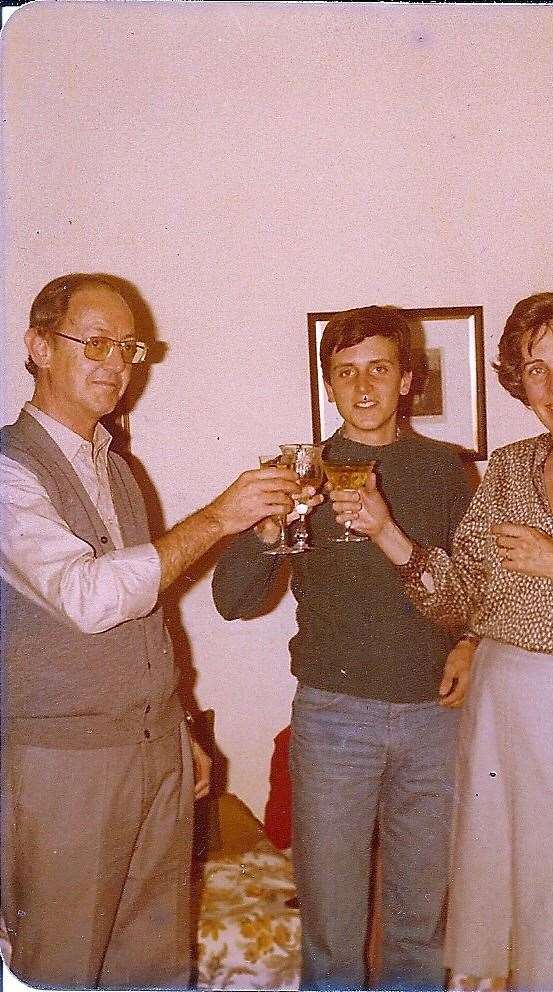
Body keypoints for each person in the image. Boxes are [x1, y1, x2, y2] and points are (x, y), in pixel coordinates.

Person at [334, 291, 553, 992]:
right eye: (535, 369)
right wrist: (385, 532)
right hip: (499, 697)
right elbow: (461, 595)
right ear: (517, 381)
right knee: (499, 900)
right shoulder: (506, 468)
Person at [0, 272, 299, 989]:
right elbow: (88, 596)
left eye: (129, 348)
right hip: (65, 764)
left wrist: (182, 722)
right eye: (95, 342)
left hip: (155, 751)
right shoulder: (10, 469)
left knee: (154, 966)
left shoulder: (119, 469)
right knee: (61, 967)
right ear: (38, 346)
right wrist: (217, 519)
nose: (117, 364)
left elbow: (150, 615)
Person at [212, 305, 475, 992]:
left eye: (379, 369)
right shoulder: (297, 471)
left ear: (408, 381)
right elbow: (231, 600)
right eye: (346, 372)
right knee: (331, 936)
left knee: (420, 931)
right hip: (333, 722)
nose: (363, 388)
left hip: (433, 723)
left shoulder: (445, 470)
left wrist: (473, 642)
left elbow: (477, 590)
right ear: (328, 386)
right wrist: (269, 529)